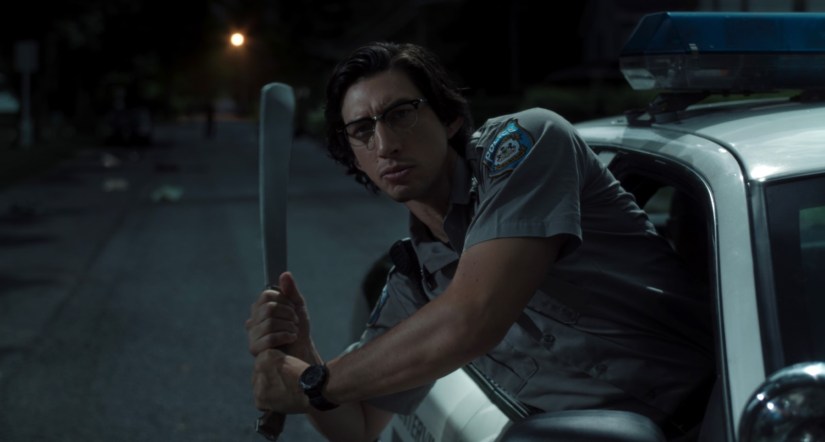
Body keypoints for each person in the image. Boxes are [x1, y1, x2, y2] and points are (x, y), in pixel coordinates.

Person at [245, 41, 714, 441]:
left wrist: (313, 383)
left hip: (730, 409)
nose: (385, 144)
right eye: (363, 131)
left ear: (449, 118)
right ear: (355, 157)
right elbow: (360, 425)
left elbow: (473, 316)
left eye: (401, 114)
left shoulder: (526, 144)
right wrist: (301, 350)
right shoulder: (414, 283)